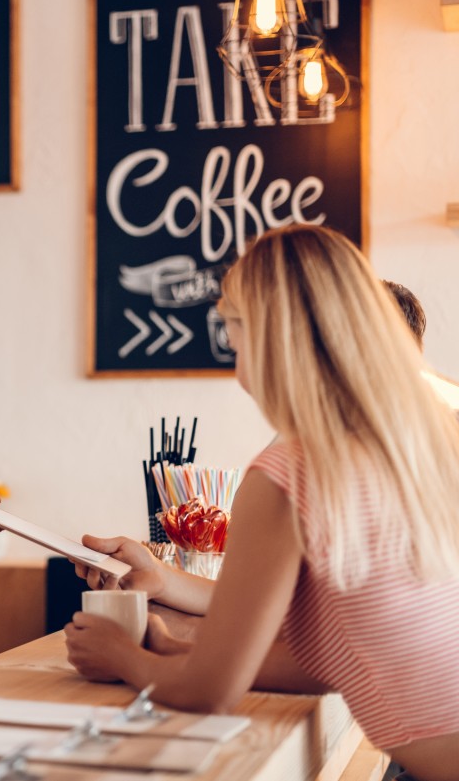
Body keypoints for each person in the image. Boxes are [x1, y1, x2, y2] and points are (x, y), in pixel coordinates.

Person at [64, 224, 459, 781]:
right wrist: (172, 653)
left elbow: (209, 693)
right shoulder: (406, 450)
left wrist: (121, 656)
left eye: (233, 336)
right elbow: (335, 661)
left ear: (271, 338)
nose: (236, 364)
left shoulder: (285, 473)